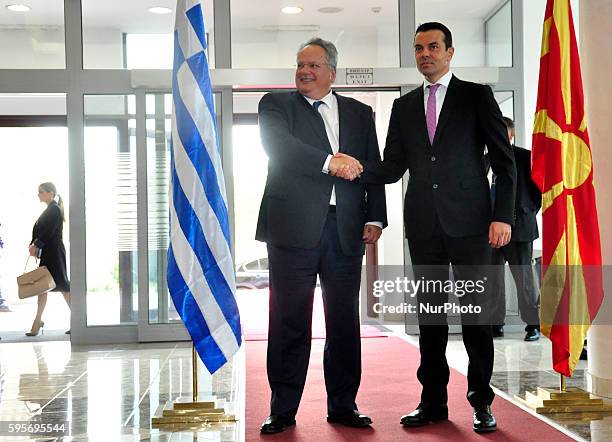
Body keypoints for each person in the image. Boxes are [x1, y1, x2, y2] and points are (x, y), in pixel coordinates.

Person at [334, 22, 516, 433]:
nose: (425, 54)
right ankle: (432, 401)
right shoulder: (404, 106)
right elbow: (393, 166)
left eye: (433, 47)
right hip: (424, 225)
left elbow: (504, 163)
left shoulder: (476, 96)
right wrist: (355, 167)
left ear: (450, 52)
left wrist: (502, 215)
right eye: (418, 49)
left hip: (472, 225)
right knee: (430, 318)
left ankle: (481, 402)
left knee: (476, 318)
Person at [256, 37, 387, 434]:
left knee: (344, 321)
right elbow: (279, 148)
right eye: (300, 64)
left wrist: (376, 218)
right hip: (292, 229)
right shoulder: (276, 105)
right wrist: (331, 163)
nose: (304, 71)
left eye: (313, 65)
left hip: (345, 231)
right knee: (289, 320)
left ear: (332, 71)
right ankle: (282, 409)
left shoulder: (360, 113)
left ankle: (344, 405)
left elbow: (373, 168)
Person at [488, 117, 541, 341]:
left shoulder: (525, 157)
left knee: (524, 279)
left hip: (519, 229)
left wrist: (523, 214)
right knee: (492, 279)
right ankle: (494, 324)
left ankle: (532, 325)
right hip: (488, 232)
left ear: (511, 135)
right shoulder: (483, 160)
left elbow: (537, 193)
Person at [26, 182, 71, 336]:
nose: (38, 194)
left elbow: (48, 231)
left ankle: (78, 321)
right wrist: (34, 245)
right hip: (49, 253)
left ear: (50, 193)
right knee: (43, 287)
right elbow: (42, 231)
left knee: (63, 286)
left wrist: (36, 245)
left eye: (41, 192)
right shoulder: (51, 209)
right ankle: (37, 321)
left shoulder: (54, 209)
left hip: (54, 254)